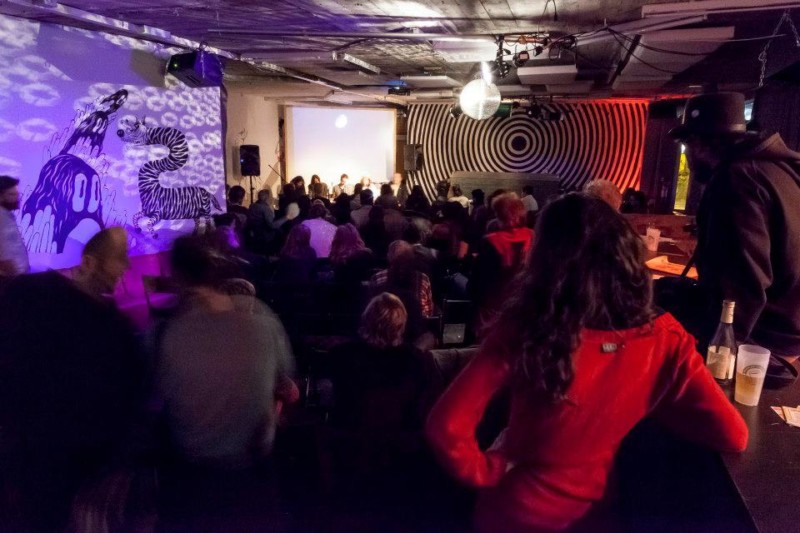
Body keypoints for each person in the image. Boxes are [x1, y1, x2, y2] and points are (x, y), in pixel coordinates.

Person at [426, 194, 748, 533]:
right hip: (597, 515)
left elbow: (445, 427)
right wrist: (653, 401)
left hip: (516, 512)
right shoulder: (668, 340)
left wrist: (487, 468)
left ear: (547, 264)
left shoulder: (526, 329)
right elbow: (733, 435)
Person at [0, 227, 145, 532]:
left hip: (33, 453)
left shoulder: (25, 294)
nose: (128, 267)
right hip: (74, 461)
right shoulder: (114, 329)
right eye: (120, 258)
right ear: (89, 262)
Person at [671, 92, 800, 359]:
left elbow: (744, 283)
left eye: (686, 145)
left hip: (765, 342)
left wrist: (718, 358)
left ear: (698, 143)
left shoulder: (735, 180)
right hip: (787, 330)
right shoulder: (775, 169)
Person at [157, 235, 299, 469]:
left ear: (177, 277)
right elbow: (286, 384)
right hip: (252, 466)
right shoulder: (262, 323)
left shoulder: (165, 334)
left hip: (188, 470)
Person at [327, 293, 430, 432]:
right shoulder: (416, 361)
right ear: (401, 326)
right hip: (399, 444)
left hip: (351, 442)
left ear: (366, 319)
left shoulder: (341, 355)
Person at [468, 194, 534, 331]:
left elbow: (478, 281)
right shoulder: (533, 236)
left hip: (492, 308)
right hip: (523, 305)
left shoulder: (491, 241)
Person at [370, 240, 435, 348]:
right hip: (414, 338)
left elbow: (371, 311)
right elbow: (428, 313)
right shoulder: (423, 279)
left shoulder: (377, 278)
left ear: (389, 257)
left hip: (382, 335)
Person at [0, 176, 29, 281]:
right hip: (11, 280)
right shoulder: (2, 218)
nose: (17, 198)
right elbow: (4, 254)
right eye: (12, 194)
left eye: (17, 194)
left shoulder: (6, 214)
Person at [246, 189, 275, 254]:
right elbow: (270, 223)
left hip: (254, 232)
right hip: (264, 234)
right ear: (266, 198)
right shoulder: (265, 208)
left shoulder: (252, 206)